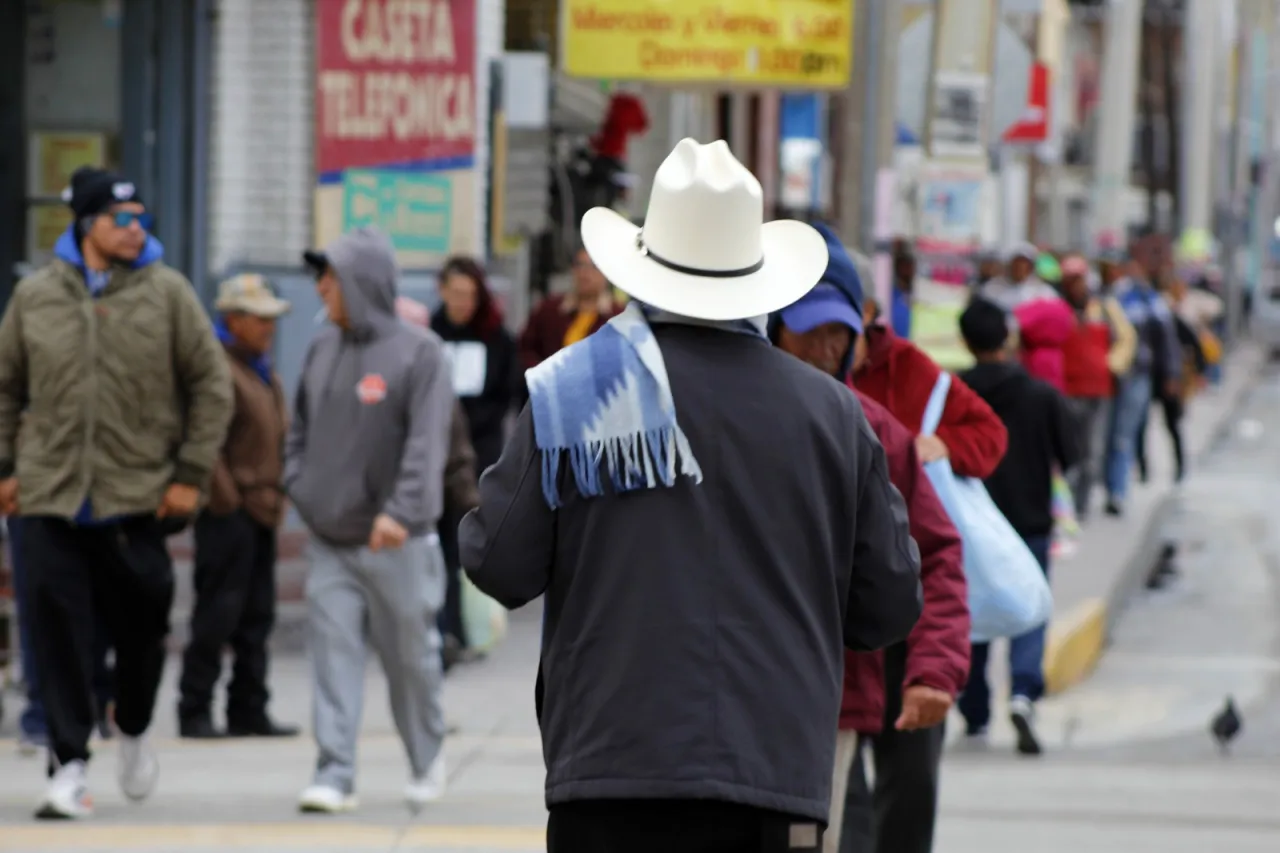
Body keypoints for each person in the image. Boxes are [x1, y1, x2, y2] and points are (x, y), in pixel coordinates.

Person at [460, 138, 923, 853]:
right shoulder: (835, 416)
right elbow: (888, 602)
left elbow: (498, 561)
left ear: (644, 267)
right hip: (773, 776)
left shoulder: (575, 389)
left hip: (609, 770)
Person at [0, 166, 233, 818]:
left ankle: (131, 724)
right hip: (50, 497)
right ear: (86, 222)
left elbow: (211, 388)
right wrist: (5, 467)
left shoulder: (168, 294)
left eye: (140, 219)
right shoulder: (37, 296)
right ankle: (68, 764)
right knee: (57, 637)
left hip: (137, 498)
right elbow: (6, 386)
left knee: (142, 630)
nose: (135, 230)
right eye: (120, 219)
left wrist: (189, 475)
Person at [769, 228, 969, 853]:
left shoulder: (877, 431)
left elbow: (937, 553)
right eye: (810, 330)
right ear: (774, 326)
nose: (826, 349)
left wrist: (934, 667)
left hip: (861, 682)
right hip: (768, 694)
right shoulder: (746, 422)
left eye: (839, 332)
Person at [290, 227, 454, 814]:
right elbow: (299, 430)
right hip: (331, 539)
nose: (321, 289)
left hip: (397, 540)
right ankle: (334, 772)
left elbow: (426, 444)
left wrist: (401, 513)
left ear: (361, 282)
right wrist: (300, 487)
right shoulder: (319, 346)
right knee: (333, 658)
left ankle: (426, 756)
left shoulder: (421, 352)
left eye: (329, 277)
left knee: (411, 659)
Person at [177, 274, 299, 740]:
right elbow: (205, 442)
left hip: (261, 509)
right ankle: (195, 707)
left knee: (257, 616)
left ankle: (249, 707)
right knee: (217, 614)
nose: (269, 327)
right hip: (231, 513)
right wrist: (228, 502)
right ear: (234, 320)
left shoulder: (263, 369)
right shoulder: (218, 368)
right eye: (260, 319)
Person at [957, 299, 1079, 755]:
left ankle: (974, 712)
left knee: (974, 612)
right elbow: (1070, 454)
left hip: (974, 526)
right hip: (1030, 522)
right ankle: (1024, 694)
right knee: (1031, 610)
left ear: (964, 341)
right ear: (1007, 338)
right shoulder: (1041, 394)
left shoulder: (955, 393)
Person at [1105, 240, 1182, 515]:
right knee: (1108, 437)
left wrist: (1172, 374)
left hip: (1138, 376)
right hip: (1109, 378)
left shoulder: (1151, 300)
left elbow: (1168, 341)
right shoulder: (1110, 298)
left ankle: (1118, 490)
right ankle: (1111, 485)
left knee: (1124, 436)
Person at [1060, 255, 1136, 519]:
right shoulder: (1057, 309)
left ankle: (1080, 506)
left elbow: (1126, 338)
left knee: (1092, 451)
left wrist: (1110, 364)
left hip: (1098, 389)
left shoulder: (1104, 308)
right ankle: (1066, 505)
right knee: (1068, 449)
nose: (1075, 286)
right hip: (1066, 389)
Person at [430, 257, 519, 474]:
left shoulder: (496, 337)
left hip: (482, 443)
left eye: (472, 296)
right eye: (459, 294)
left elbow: (507, 390)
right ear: (443, 290)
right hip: (438, 438)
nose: (465, 303)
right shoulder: (430, 335)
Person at [518, 245, 622, 370]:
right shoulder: (549, 309)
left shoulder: (618, 317)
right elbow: (525, 349)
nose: (585, 274)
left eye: (593, 267)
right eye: (580, 265)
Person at [979, 243, 1061, 311]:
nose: (1020, 268)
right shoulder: (991, 289)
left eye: (1025, 264)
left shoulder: (1043, 291)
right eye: (1016, 264)